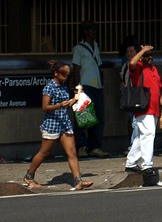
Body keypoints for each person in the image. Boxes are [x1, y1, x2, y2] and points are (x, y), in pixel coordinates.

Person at [23, 61, 93, 190]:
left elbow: (69, 103)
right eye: (64, 75)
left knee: (72, 152)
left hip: (64, 123)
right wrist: (59, 105)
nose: (66, 78)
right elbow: (45, 107)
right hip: (52, 123)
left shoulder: (64, 85)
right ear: (56, 73)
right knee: (44, 152)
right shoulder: (50, 87)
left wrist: (77, 96)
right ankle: (29, 175)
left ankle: (78, 181)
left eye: (67, 75)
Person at [124, 44, 162, 172]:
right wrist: (142, 51)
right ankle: (147, 164)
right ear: (142, 57)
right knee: (149, 134)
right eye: (147, 55)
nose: (150, 57)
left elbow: (158, 89)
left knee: (140, 136)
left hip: (154, 108)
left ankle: (131, 162)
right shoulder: (138, 68)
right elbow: (131, 63)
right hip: (144, 107)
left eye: (151, 55)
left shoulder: (154, 69)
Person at [71, 19, 109, 159]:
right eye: (92, 29)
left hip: (97, 85)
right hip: (85, 85)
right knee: (83, 115)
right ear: (86, 31)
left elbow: (99, 65)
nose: (94, 32)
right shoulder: (79, 48)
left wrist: (102, 83)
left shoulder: (96, 46)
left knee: (98, 117)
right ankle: (81, 146)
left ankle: (95, 146)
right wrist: (78, 86)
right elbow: (76, 67)